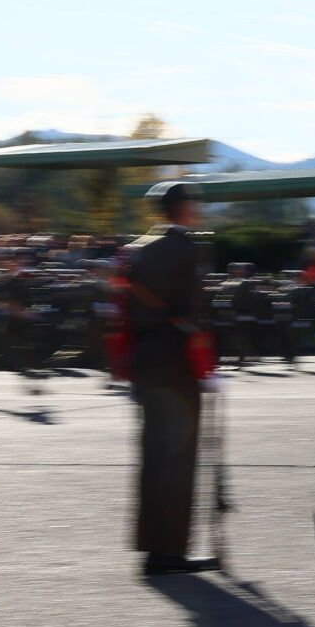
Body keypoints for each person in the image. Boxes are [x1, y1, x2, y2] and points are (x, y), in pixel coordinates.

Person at [113, 181, 222, 576]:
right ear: (183, 208)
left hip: (145, 362)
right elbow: (193, 314)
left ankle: (151, 546)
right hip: (177, 365)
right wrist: (206, 367)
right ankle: (170, 552)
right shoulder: (186, 250)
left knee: (153, 458)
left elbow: (123, 309)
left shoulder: (138, 249)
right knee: (178, 459)